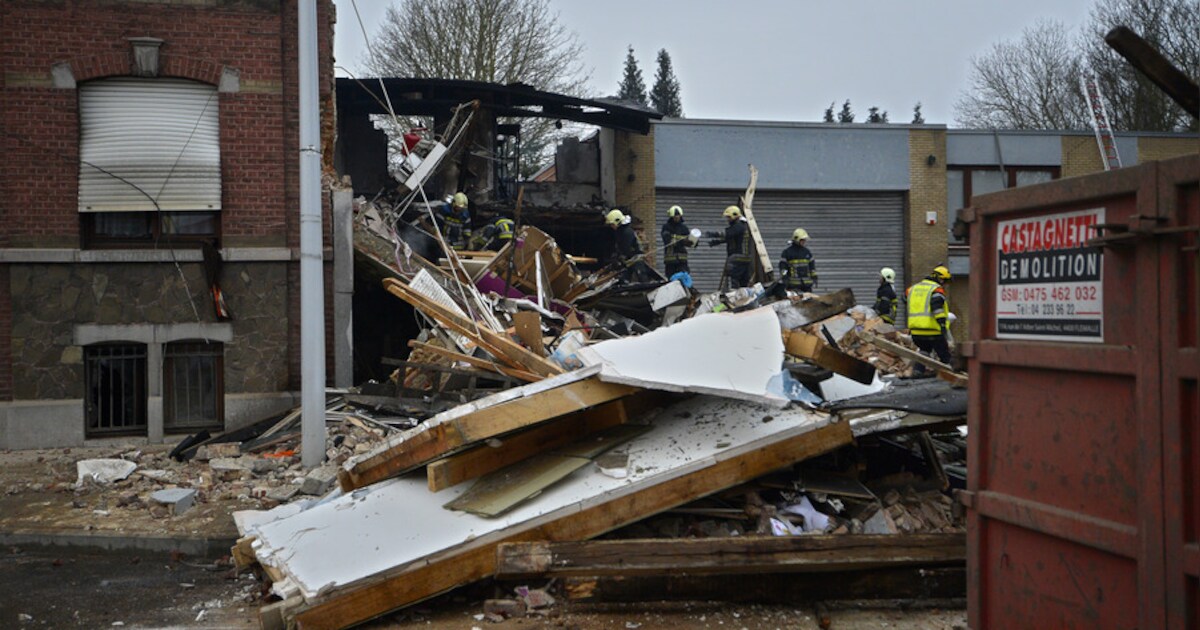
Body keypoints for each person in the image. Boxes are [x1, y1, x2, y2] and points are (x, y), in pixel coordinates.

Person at [905, 265, 953, 375]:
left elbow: (905, 298)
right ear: (940, 279)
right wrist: (942, 325)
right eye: (944, 281)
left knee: (924, 351)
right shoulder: (936, 289)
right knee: (944, 354)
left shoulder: (913, 288)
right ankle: (951, 374)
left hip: (916, 332)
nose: (944, 284)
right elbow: (937, 309)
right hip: (932, 331)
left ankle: (918, 371)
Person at [705, 205, 752, 289]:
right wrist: (717, 242)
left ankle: (735, 297)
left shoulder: (739, 226)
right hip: (744, 258)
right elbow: (732, 238)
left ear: (735, 215)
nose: (728, 220)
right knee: (743, 282)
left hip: (738, 257)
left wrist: (714, 234)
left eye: (729, 217)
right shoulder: (743, 226)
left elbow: (728, 233)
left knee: (735, 281)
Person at [606, 209, 652, 283]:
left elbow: (625, 248)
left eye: (612, 224)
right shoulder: (619, 231)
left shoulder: (627, 232)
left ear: (617, 221)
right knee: (623, 280)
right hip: (628, 260)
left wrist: (619, 257)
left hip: (635, 259)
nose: (611, 226)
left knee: (642, 277)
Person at [660, 205, 694, 278]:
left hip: (682, 260)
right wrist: (682, 241)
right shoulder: (666, 227)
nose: (677, 217)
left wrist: (693, 241)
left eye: (678, 216)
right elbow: (667, 240)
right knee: (671, 280)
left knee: (684, 278)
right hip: (670, 261)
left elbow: (691, 243)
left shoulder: (684, 228)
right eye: (675, 216)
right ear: (671, 217)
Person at [779, 228, 817, 293]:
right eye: (802, 240)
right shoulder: (787, 252)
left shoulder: (807, 252)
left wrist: (814, 277)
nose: (804, 242)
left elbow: (812, 266)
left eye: (804, 240)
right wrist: (784, 278)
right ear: (797, 239)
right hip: (793, 285)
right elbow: (783, 267)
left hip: (807, 285)